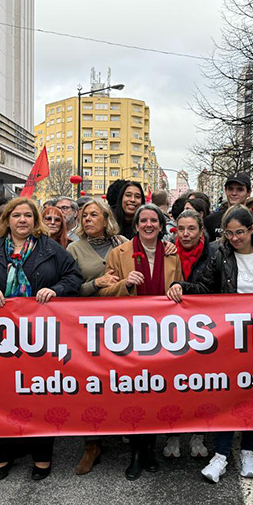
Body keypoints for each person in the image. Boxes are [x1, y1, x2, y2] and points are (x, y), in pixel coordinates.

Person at [167, 205, 253, 483]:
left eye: (239, 232)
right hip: (231, 340)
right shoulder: (221, 255)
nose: (234, 238)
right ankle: (222, 454)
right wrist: (182, 285)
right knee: (227, 397)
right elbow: (204, 287)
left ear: (252, 229)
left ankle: (248, 452)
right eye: (228, 234)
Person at [0, 198, 82, 481]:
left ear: (35, 219)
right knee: (2, 395)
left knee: (39, 394)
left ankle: (42, 454)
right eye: (17, 215)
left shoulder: (51, 249)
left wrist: (56, 290)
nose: (23, 220)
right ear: (8, 220)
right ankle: (4, 453)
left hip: (39, 338)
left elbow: (74, 278)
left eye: (28, 215)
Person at [100, 203, 182, 480]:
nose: (148, 225)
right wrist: (125, 283)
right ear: (135, 226)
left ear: (161, 226)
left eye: (153, 221)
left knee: (157, 393)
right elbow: (102, 295)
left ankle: (150, 448)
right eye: (143, 221)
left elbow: (181, 287)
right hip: (129, 334)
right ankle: (137, 452)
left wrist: (178, 288)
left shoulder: (172, 253)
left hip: (163, 334)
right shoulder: (118, 253)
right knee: (134, 394)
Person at [66, 198, 126, 474]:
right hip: (88, 327)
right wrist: (95, 283)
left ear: (106, 218)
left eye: (93, 215)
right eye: (84, 215)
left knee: (122, 379)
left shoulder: (122, 243)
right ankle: (92, 443)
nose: (87, 219)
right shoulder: (74, 248)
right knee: (92, 383)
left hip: (123, 324)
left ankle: (125, 429)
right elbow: (69, 287)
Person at [161, 209, 215, 460]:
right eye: (180, 229)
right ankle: (172, 434)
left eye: (191, 229)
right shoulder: (167, 251)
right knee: (173, 384)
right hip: (172, 327)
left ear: (200, 230)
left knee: (201, 385)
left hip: (206, 327)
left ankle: (198, 434)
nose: (185, 234)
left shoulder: (214, 253)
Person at [204, 173, 252, 241]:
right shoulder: (211, 220)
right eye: (230, 189)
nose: (234, 193)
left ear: (248, 192)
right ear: (225, 190)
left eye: (240, 189)